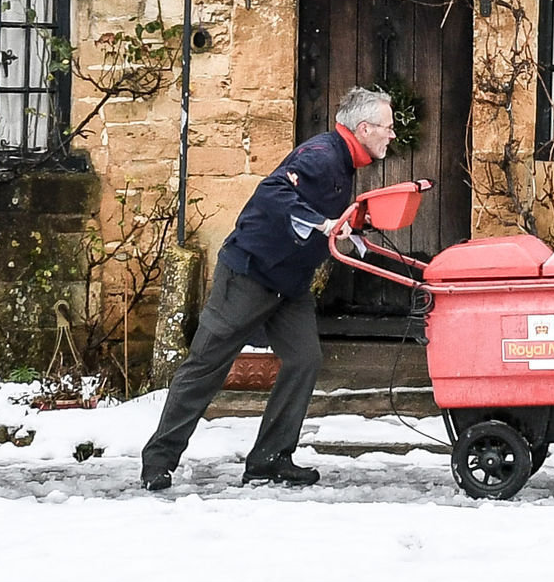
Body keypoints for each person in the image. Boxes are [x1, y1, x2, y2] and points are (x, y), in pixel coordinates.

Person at [139, 86, 398, 491]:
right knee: (207, 366)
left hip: (289, 284)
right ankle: (158, 460)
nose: (392, 135)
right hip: (249, 275)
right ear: (364, 128)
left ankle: (270, 458)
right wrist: (322, 223)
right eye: (388, 126)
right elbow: (273, 191)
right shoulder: (322, 154)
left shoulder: (344, 161)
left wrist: (350, 226)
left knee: (304, 359)